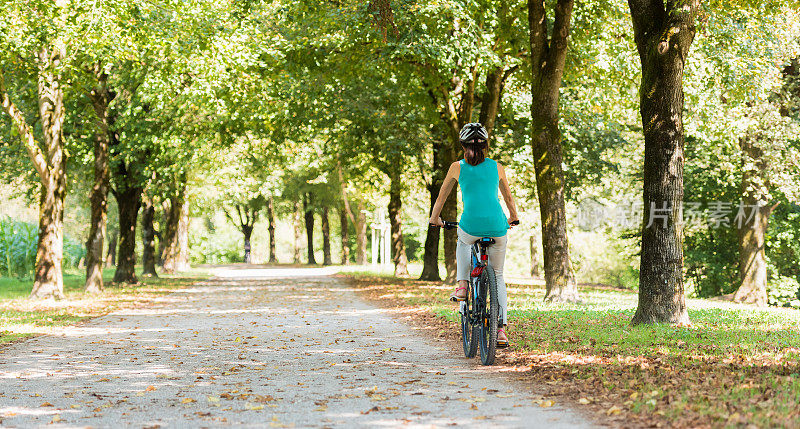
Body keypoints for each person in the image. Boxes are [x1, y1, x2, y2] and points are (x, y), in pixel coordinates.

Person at [428, 122, 519, 347]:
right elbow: (508, 197)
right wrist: (513, 217)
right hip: (497, 227)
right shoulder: (497, 166)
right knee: (497, 275)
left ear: (462, 145)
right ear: (486, 145)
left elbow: (441, 197)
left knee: (463, 241)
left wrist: (434, 219)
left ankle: (462, 284)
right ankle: (501, 331)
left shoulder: (456, 167)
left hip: (470, 226)